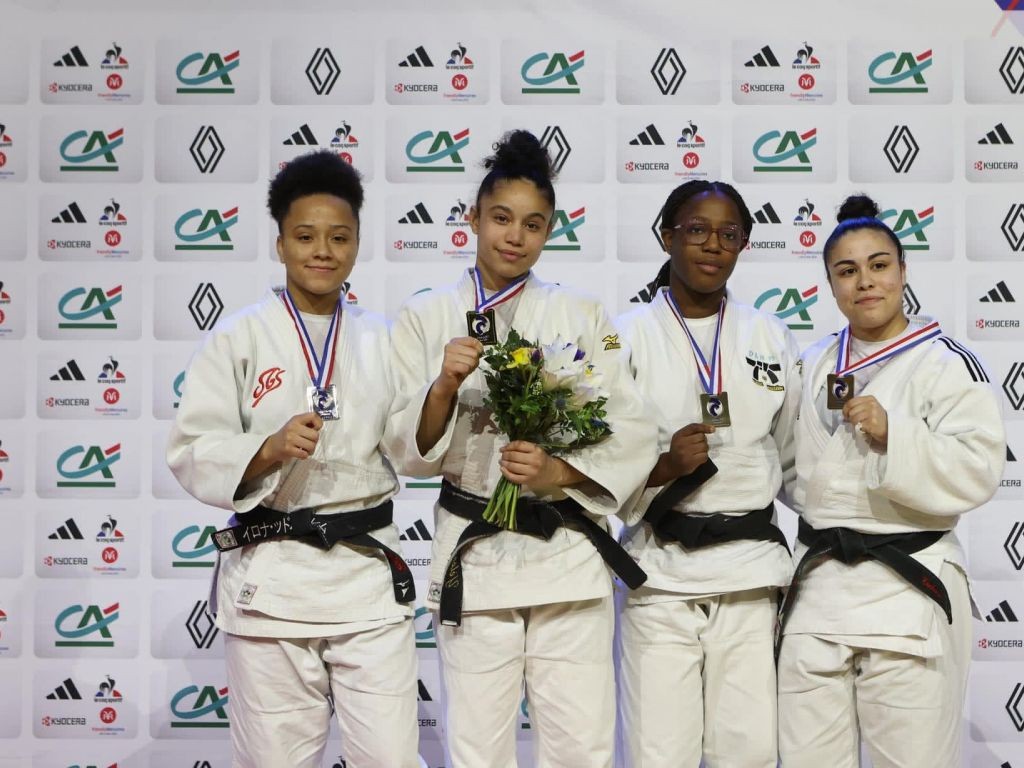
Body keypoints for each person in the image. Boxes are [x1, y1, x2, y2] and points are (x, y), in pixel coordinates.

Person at [384, 130, 658, 768]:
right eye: (501, 219)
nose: (515, 236)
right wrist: (444, 384)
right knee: (477, 747)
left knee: (581, 745)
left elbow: (632, 425)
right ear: (472, 219)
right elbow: (406, 445)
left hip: (565, 550)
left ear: (551, 230)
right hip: (476, 550)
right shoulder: (426, 316)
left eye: (533, 224)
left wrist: (558, 469)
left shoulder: (583, 313)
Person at [166, 150, 420, 768]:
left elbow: (414, 445)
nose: (323, 251)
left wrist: (442, 393)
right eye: (305, 236)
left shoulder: (381, 336)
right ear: (280, 243)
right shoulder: (239, 335)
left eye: (339, 237)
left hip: (365, 576)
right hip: (272, 580)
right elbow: (191, 448)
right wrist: (266, 448)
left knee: (390, 758)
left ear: (358, 244)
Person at [777, 194, 1005, 768]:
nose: (865, 282)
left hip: (907, 589)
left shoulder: (947, 361)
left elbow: (980, 468)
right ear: (830, 284)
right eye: (847, 271)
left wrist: (894, 436)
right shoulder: (810, 363)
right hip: (819, 592)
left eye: (879, 265)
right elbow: (785, 467)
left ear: (903, 272)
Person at [614, 180, 800, 767]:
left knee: (747, 752)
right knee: (657, 753)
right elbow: (593, 464)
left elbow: (794, 457)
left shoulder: (769, 334)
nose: (712, 245)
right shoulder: (625, 336)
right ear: (667, 236)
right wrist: (664, 465)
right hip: (660, 572)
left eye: (728, 234)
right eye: (696, 230)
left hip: (749, 574)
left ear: (744, 245)